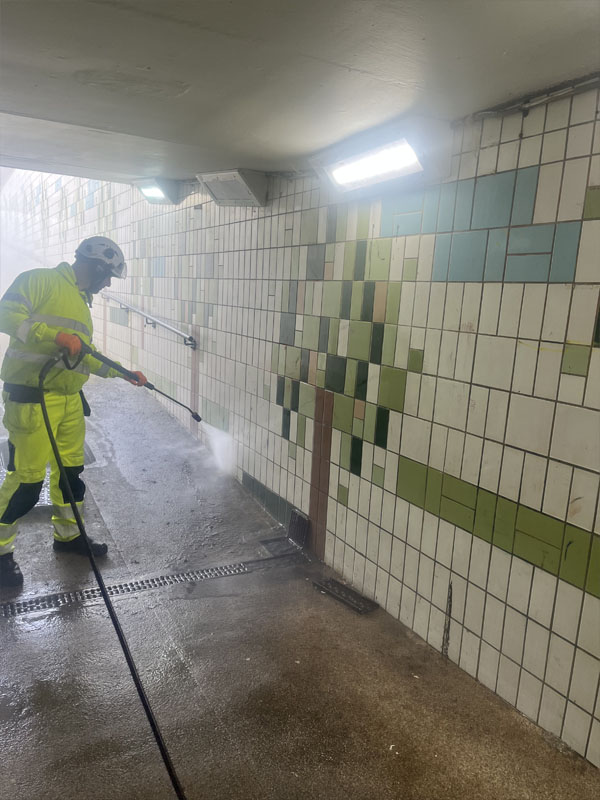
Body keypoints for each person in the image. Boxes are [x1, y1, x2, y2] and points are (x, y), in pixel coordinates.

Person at [0, 236, 147, 588]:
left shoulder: (82, 302)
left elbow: (84, 353)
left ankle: (68, 537)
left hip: (68, 400)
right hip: (33, 400)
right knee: (26, 481)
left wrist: (122, 372)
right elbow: (6, 315)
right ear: (94, 266)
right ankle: (0, 553)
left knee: (70, 475)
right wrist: (54, 335)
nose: (107, 283)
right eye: (107, 275)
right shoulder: (39, 280)